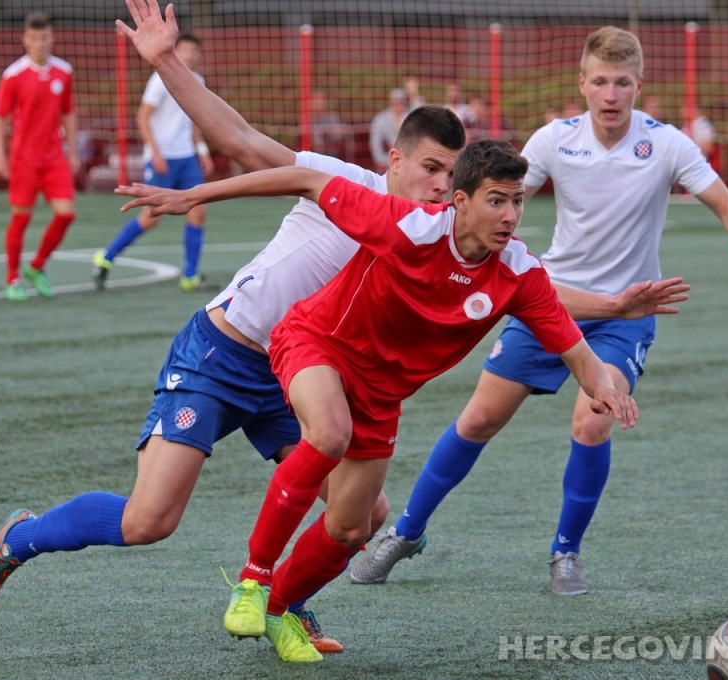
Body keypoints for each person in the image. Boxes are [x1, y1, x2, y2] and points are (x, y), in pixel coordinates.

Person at [0, 0, 467, 657]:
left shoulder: (432, 239)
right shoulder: (341, 182)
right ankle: (19, 538)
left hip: (297, 375)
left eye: (451, 177)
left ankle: (287, 606)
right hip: (222, 353)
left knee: (362, 515)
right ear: (394, 160)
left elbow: (514, 282)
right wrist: (166, 60)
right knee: (149, 521)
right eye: (429, 168)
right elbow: (241, 142)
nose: (438, 187)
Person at [140, 139, 644, 664]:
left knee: (353, 526)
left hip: (381, 395)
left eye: (518, 202)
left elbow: (572, 346)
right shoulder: (409, 225)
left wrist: (605, 387)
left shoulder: (518, 272)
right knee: (329, 434)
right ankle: (253, 580)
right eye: (497, 200)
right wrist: (198, 194)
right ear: (460, 199)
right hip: (317, 342)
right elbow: (306, 180)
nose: (510, 216)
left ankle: (282, 608)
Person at [350, 26, 728, 598]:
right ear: (583, 84)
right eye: (600, 82)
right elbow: (498, 191)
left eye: (622, 83)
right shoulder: (554, 140)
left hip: (625, 316)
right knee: (477, 420)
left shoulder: (666, 144)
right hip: (550, 301)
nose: (611, 94)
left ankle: (565, 554)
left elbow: (727, 203)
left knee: (592, 419)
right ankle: (404, 533)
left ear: (638, 86)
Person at [92, 32, 214, 292]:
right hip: (163, 158)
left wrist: (201, 151)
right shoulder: (161, 79)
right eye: (185, 50)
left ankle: (190, 276)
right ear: (176, 51)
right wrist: (156, 152)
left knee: (198, 211)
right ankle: (106, 256)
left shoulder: (198, 81)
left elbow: (193, 120)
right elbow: (143, 117)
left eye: (194, 50)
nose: (190, 55)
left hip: (187, 158)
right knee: (151, 217)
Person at [0, 11, 79, 302]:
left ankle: (37, 266)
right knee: (21, 219)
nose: (40, 43)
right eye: (34, 38)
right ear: (25, 39)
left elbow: (67, 113)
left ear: (52, 38)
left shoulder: (63, 72)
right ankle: (12, 278)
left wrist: (73, 151)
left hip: (54, 158)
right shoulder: (13, 75)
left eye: (45, 37)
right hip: (24, 159)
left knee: (66, 214)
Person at [369, 88, 409, 172]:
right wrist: (380, 159)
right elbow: (375, 141)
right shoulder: (381, 118)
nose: (398, 105)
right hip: (388, 159)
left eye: (401, 102)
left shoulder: (410, 117)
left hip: (408, 158)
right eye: (395, 101)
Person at [308, 90, 351, 159]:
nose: (319, 103)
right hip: (312, 155)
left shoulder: (332, 117)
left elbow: (339, 135)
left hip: (331, 155)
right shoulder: (306, 119)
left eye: (321, 100)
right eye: (316, 99)